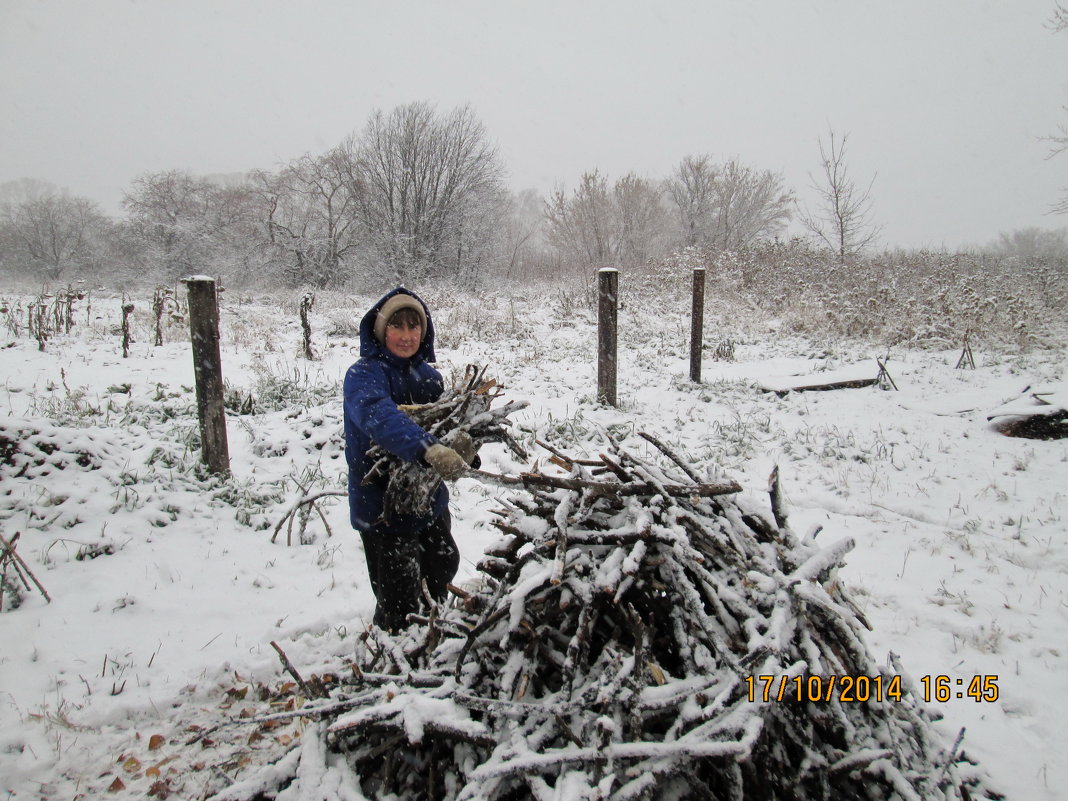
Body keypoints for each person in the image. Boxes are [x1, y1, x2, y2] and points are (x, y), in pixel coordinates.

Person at [343, 287, 473, 631]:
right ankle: (395, 650)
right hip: (383, 504)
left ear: (424, 331)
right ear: (381, 330)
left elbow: (443, 426)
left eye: (413, 326)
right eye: (396, 326)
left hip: (428, 500)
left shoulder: (429, 378)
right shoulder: (364, 376)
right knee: (399, 593)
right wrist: (426, 448)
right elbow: (378, 416)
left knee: (442, 566)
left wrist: (463, 447)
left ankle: (432, 634)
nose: (406, 335)